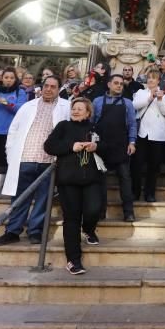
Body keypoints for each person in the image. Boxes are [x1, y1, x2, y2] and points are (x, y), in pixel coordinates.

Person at [0, 76, 70, 246]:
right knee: (20, 198)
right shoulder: (28, 106)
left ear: (59, 89)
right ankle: (13, 231)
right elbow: (13, 130)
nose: (49, 89)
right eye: (46, 86)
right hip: (24, 159)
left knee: (43, 200)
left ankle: (35, 231)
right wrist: (10, 153)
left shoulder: (66, 107)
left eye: (53, 86)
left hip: (48, 162)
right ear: (41, 87)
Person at [44, 97, 103, 275]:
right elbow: (49, 146)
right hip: (68, 180)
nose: (75, 111)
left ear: (88, 112)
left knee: (94, 209)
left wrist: (96, 146)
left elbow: (110, 147)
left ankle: (89, 229)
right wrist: (71, 146)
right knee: (71, 219)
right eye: (74, 108)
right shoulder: (63, 126)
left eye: (80, 108)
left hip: (91, 178)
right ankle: (73, 260)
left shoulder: (94, 128)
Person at [92, 74, 137, 222]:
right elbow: (91, 123)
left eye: (121, 84)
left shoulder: (128, 103)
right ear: (109, 85)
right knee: (100, 181)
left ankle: (128, 212)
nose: (119, 86)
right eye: (116, 83)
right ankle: (100, 211)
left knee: (125, 178)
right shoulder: (97, 102)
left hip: (121, 145)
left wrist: (132, 142)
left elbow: (132, 124)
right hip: (100, 146)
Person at [131, 68, 165, 202]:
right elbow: (134, 105)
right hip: (142, 133)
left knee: (154, 166)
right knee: (137, 164)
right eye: (149, 78)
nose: (150, 80)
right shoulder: (141, 92)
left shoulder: (164, 94)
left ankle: (150, 193)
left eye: (153, 78)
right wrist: (150, 97)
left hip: (157, 135)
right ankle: (135, 192)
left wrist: (160, 99)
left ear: (158, 80)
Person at [0, 68, 27, 173]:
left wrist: (7, 103)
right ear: (2, 79)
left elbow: (21, 110)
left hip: (8, 134)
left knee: (3, 166)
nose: (9, 80)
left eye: (12, 78)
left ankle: (1, 188)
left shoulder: (20, 92)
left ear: (16, 79)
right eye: (6, 77)